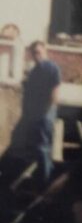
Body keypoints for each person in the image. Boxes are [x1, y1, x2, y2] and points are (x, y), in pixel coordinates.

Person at [10, 41, 62, 187]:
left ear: (46, 51)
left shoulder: (51, 68)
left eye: (39, 52)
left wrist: (46, 112)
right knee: (37, 150)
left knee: (43, 148)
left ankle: (45, 184)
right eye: (34, 53)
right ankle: (41, 179)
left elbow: (55, 93)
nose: (37, 55)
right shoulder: (35, 71)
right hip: (33, 116)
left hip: (44, 116)